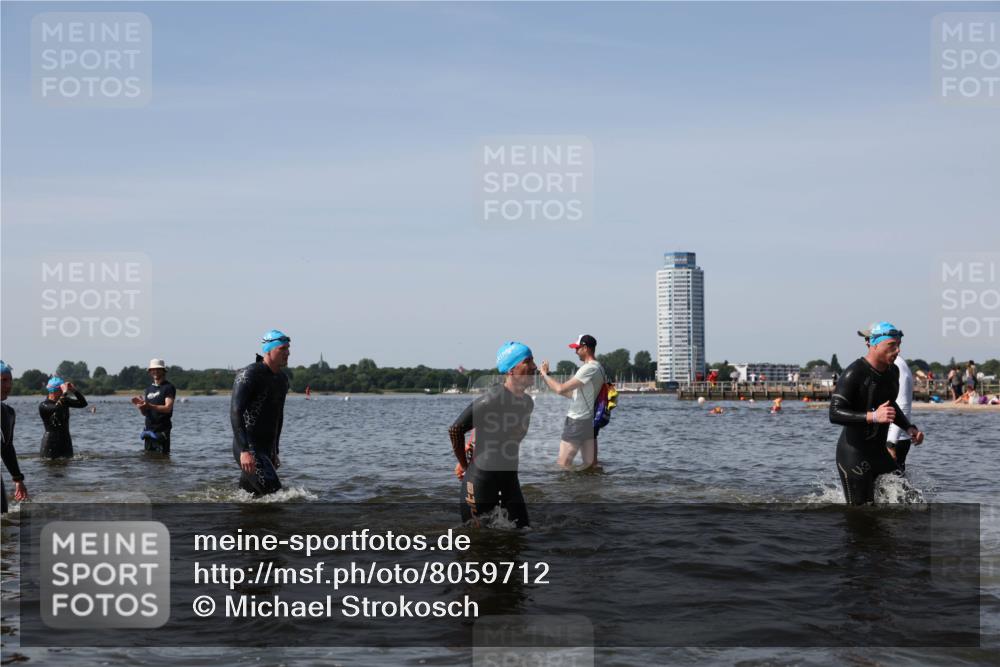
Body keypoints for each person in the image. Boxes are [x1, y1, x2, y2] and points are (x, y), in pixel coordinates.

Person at [830, 322, 924, 505]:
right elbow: (834, 413)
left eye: (899, 345)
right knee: (863, 512)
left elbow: (890, 407)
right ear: (873, 344)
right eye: (891, 345)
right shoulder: (854, 372)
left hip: (879, 453)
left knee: (912, 501)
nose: (897, 350)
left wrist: (908, 428)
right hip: (854, 454)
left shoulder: (893, 372)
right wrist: (873, 416)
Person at [449, 342, 536, 528]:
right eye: (528, 361)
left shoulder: (527, 403)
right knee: (477, 544)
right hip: (480, 480)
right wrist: (464, 463)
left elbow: (494, 428)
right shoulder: (493, 397)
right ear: (511, 369)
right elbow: (456, 429)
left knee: (523, 533)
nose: (534, 367)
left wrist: (473, 442)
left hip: (510, 479)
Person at [231, 330, 290, 496]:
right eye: (283, 349)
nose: (288, 353)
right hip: (248, 446)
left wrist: (275, 450)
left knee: (250, 499)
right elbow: (236, 412)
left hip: (265, 448)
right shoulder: (248, 375)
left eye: (288, 348)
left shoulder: (282, 380)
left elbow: (279, 416)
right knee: (276, 495)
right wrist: (244, 450)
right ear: (268, 350)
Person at [539, 334, 606, 469]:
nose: (575, 352)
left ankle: (567, 490)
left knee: (563, 464)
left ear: (585, 348)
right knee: (591, 465)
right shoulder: (600, 368)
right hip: (590, 421)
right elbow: (573, 394)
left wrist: (544, 374)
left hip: (577, 420)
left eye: (577, 348)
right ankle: (591, 489)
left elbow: (560, 389)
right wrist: (549, 378)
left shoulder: (588, 368)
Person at [131, 358, 176, 455]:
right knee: (148, 460)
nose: (155, 371)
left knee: (163, 460)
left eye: (158, 369)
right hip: (148, 430)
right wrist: (141, 407)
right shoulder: (148, 389)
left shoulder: (168, 387)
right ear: (150, 372)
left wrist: (149, 405)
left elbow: (168, 408)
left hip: (162, 431)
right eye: (153, 369)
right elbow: (145, 413)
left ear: (163, 371)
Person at [1, 361, 29, 514]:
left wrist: (18, 479)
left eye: (10, 380)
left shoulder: (8, 412)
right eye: (3, 380)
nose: (8, 385)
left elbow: (6, 448)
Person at [38, 376, 88, 459]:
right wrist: (64, 393)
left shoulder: (64, 401)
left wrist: (74, 391)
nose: (63, 391)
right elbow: (56, 408)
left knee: (67, 468)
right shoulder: (44, 405)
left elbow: (83, 404)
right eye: (61, 389)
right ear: (55, 391)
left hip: (66, 441)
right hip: (51, 443)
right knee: (50, 468)